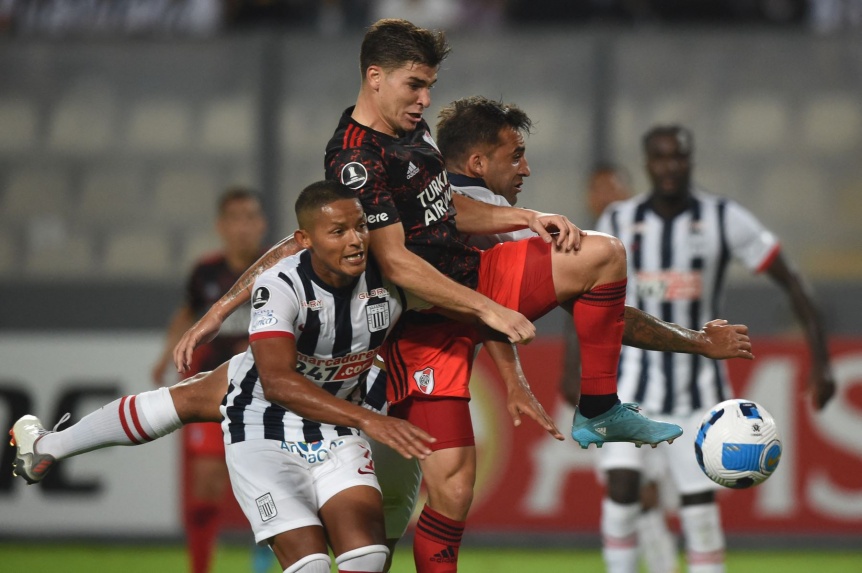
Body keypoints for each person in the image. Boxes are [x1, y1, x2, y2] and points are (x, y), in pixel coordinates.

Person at [592, 124, 836, 573]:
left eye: (679, 157)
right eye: (661, 158)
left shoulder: (724, 217)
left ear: (690, 160)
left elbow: (792, 281)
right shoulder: (618, 221)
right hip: (630, 385)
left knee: (699, 510)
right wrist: (578, 370)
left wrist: (821, 361)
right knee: (622, 489)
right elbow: (589, 298)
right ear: (647, 163)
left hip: (700, 393)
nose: (670, 167)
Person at [561, 164, 679, 573]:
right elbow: (576, 314)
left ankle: (661, 563)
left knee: (648, 493)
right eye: (598, 188)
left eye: (614, 186)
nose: (606, 195)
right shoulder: (585, 249)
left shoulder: (655, 243)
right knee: (623, 483)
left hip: (665, 384)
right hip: (614, 382)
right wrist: (570, 371)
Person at [151, 186, 269, 573]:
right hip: (213, 390)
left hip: (270, 390)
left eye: (250, 217)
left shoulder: (279, 267)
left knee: (274, 482)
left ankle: (264, 563)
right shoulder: (206, 272)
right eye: (235, 218)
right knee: (205, 489)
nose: (243, 226)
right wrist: (164, 354)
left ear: (262, 224)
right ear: (222, 226)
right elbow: (186, 313)